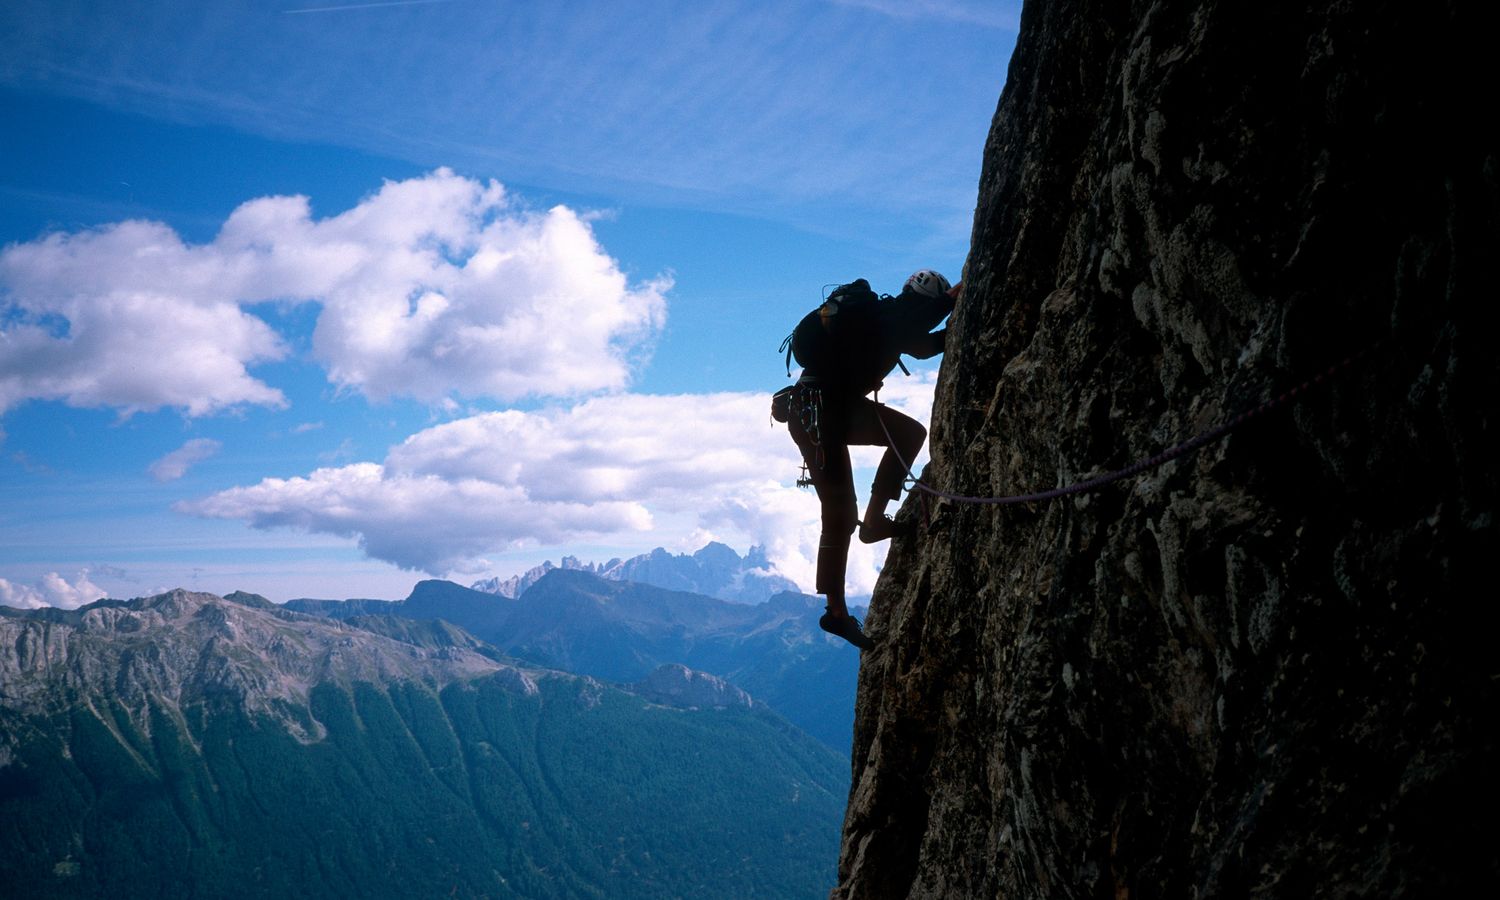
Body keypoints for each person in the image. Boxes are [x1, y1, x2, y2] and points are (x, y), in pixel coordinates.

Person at [780, 270, 961, 650]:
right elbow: (920, 336)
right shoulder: (893, 318)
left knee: (908, 434)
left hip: (823, 410)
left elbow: (920, 340)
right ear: (929, 297)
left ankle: (875, 521)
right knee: (840, 513)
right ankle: (837, 613)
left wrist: (952, 318)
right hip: (821, 415)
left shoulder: (885, 315)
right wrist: (954, 303)